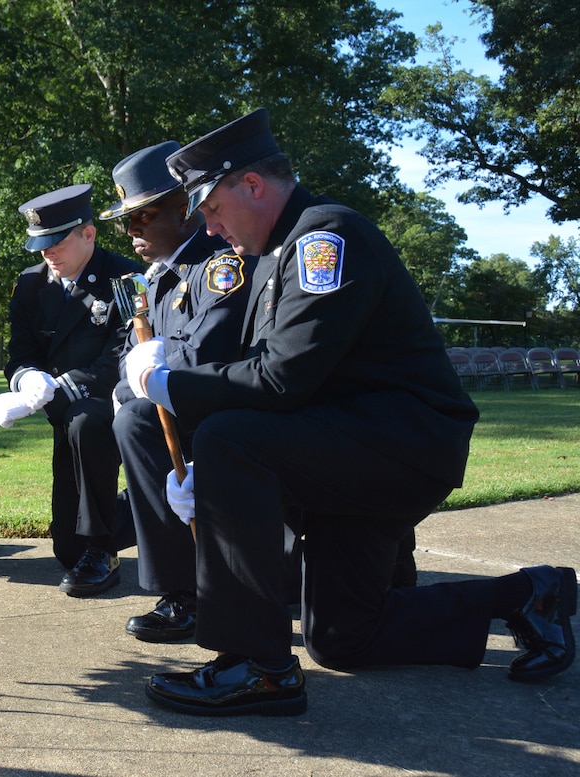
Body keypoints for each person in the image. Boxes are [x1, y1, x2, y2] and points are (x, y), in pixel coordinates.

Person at [125, 109, 575, 717]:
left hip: (400, 446)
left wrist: (168, 385)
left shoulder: (324, 237)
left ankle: (256, 665)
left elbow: (283, 380)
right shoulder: (277, 253)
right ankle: (530, 595)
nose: (207, 224)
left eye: (210, 207)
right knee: (342, 637)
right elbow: (279, 383)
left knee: (232, 439)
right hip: (350, 451)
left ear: (252, 186)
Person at [99, 141, 254, 641]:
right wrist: (129, 387)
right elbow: (132, 353)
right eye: (126, 221)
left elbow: (214, 350)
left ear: (185, 208)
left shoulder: (218, 267)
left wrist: (146, 383)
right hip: (181, 409)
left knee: (138, 419)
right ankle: (181, 587)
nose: (132, 231)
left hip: (222, 411)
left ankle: (187, 591)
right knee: (131, 414)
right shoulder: (154, 279)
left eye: (143, 217)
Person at [0, 183, 144, 596]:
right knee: (65, 546)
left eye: (57, 241)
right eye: (40, 243)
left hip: (110, 403)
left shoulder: (124, 280)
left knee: (84, 420)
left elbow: (120, 358)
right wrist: (24, 379)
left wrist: (55, 386)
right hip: (63, 409)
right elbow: (20, 353)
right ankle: (130, 517)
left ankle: (103, 547)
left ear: (88, 233)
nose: (47, 252)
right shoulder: (30, 284)